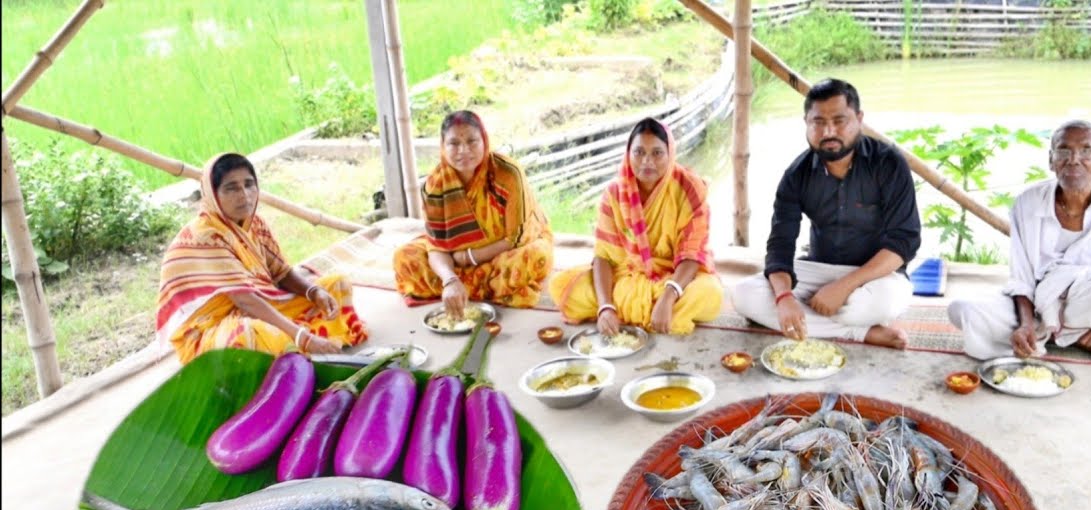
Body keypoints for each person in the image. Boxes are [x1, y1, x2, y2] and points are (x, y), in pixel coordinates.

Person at [947, 119, 1091, 361]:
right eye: (1063, 151)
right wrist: (1026, 325)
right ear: (1051, 161)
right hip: (1038, 305)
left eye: (1086, 151)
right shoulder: (1027, 203)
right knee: (962, 310)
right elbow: (1022, 279)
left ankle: (1080, 334)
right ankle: (1062, 338)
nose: (1073, 159)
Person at [731, 78, 920, 349]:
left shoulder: (888, 163)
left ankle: (833, 322)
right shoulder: (797, 174)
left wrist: (844, 287)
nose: (829, 131)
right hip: (819, 269)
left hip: (875, 276)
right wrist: (784, 298)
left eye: (840, 120)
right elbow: (780, 246)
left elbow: (904, 242)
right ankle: (860, 333)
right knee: (744, 296)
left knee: (881, 304)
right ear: (806, 123)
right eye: (818, 122)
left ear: (859, 119)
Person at [157, 153, 368, 364]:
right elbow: (243, 299)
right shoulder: (206, 235)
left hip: (258, 304)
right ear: (212, 194)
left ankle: (297, 345)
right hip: (213, 325)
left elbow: (281, 272)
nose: (244, 195)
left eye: (249, 184)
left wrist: (313, 292)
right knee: (250, 334)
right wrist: (302, 337)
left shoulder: (254, 223)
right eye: (231, 188)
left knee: (336, 286)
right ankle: (298, 345)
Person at [550, 117, 722, 336]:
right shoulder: (614, 193)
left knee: (710, 294)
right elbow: (603, 257)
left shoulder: (689, 188)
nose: (647, 161)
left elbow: (692, 254)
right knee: (562, 287)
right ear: (628, 154)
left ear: (670, 154)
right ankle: (641, 312)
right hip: (628, 276)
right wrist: (605, 306)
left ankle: (646, 309)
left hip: (674, 278)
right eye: (639, 152)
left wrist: (668, 296)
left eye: (657, 153)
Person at [393, 110, 554, 315]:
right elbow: (436, 246)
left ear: (484, 141)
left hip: (503, 251)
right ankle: (471, 287)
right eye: (454, 143)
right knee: (404, 258)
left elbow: (516, 237)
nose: (463, 151)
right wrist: (449, 279)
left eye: (471, 141)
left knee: (534, 256)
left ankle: (466, 287)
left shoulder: (508, 173)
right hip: (456, 257)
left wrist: (469, 257)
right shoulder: (435, 184)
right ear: (443, 146)